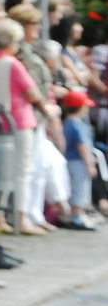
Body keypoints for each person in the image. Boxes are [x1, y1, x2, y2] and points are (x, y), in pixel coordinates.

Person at [0, 19, 49, 236]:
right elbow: (33, 93)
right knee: (22, 171)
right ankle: (20, 218)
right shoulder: (13, 63)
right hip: (18, 120)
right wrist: (47, 109)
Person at [59, 90, 99, 231]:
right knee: (80, 189)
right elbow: (82, 145)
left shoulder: (66, 123)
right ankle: (77, 217)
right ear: (82, 107)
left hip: (69, 161)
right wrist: (89, 163)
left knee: (72, 188)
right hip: (79, 162)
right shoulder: (78, 124)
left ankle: (72, 215)